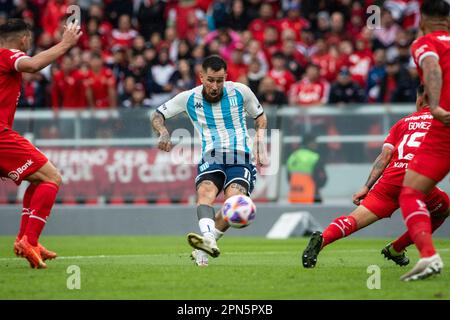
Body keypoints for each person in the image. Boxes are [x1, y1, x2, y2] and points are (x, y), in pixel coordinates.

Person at [302, 85, 449, 272]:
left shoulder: (402, 123)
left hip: (390, 180)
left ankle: (322, 240)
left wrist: (366, 186)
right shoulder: (443, 121)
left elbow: (384, 157)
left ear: (420, 100)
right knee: (443, 210)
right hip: (417, 180)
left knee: (353, 220)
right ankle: (396, 248)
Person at [151, 55, 268, 267]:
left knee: (234, 204)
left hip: (240, 156)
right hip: (211, 155)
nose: (215, 86)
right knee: (205, 192)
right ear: (201, 77)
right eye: (211, 80)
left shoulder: (241, 92)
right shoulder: (188, 98)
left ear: (226, 77)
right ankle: (207, 244)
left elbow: (260, 117)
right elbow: (158, 114)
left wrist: (260, 140)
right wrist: (163, 132)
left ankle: (205, 243)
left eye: (220, 80)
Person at [0, 19, 81, 269]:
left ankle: (24, 239)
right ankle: (30, 241)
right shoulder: (7, 54)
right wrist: (65, 44)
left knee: (38, 179)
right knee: (52, 178)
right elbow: (33, 65)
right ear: (24, 39)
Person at [398, 0, 450, 281]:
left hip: (445, 127)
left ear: (422, 22)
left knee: (411, 193)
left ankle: (429, 256)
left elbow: (432, 67)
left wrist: (439, 108)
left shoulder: (424, 43)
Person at [286, 133, 327, 203]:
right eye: (314, 142)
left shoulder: (292, 156)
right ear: (309, 143)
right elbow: (322, 179)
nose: (316, 144)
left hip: (294, 197)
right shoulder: (314, 157)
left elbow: (288, 178)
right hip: (311, 197)